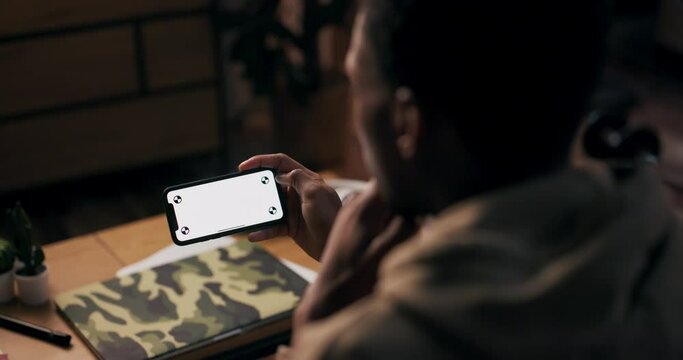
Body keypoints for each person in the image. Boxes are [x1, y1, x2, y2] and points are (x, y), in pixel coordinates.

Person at [240, 0, 683, 358]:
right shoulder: (662, 242)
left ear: (405, 125)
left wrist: (319, 327)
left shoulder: (366, 344)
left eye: (356, 81)